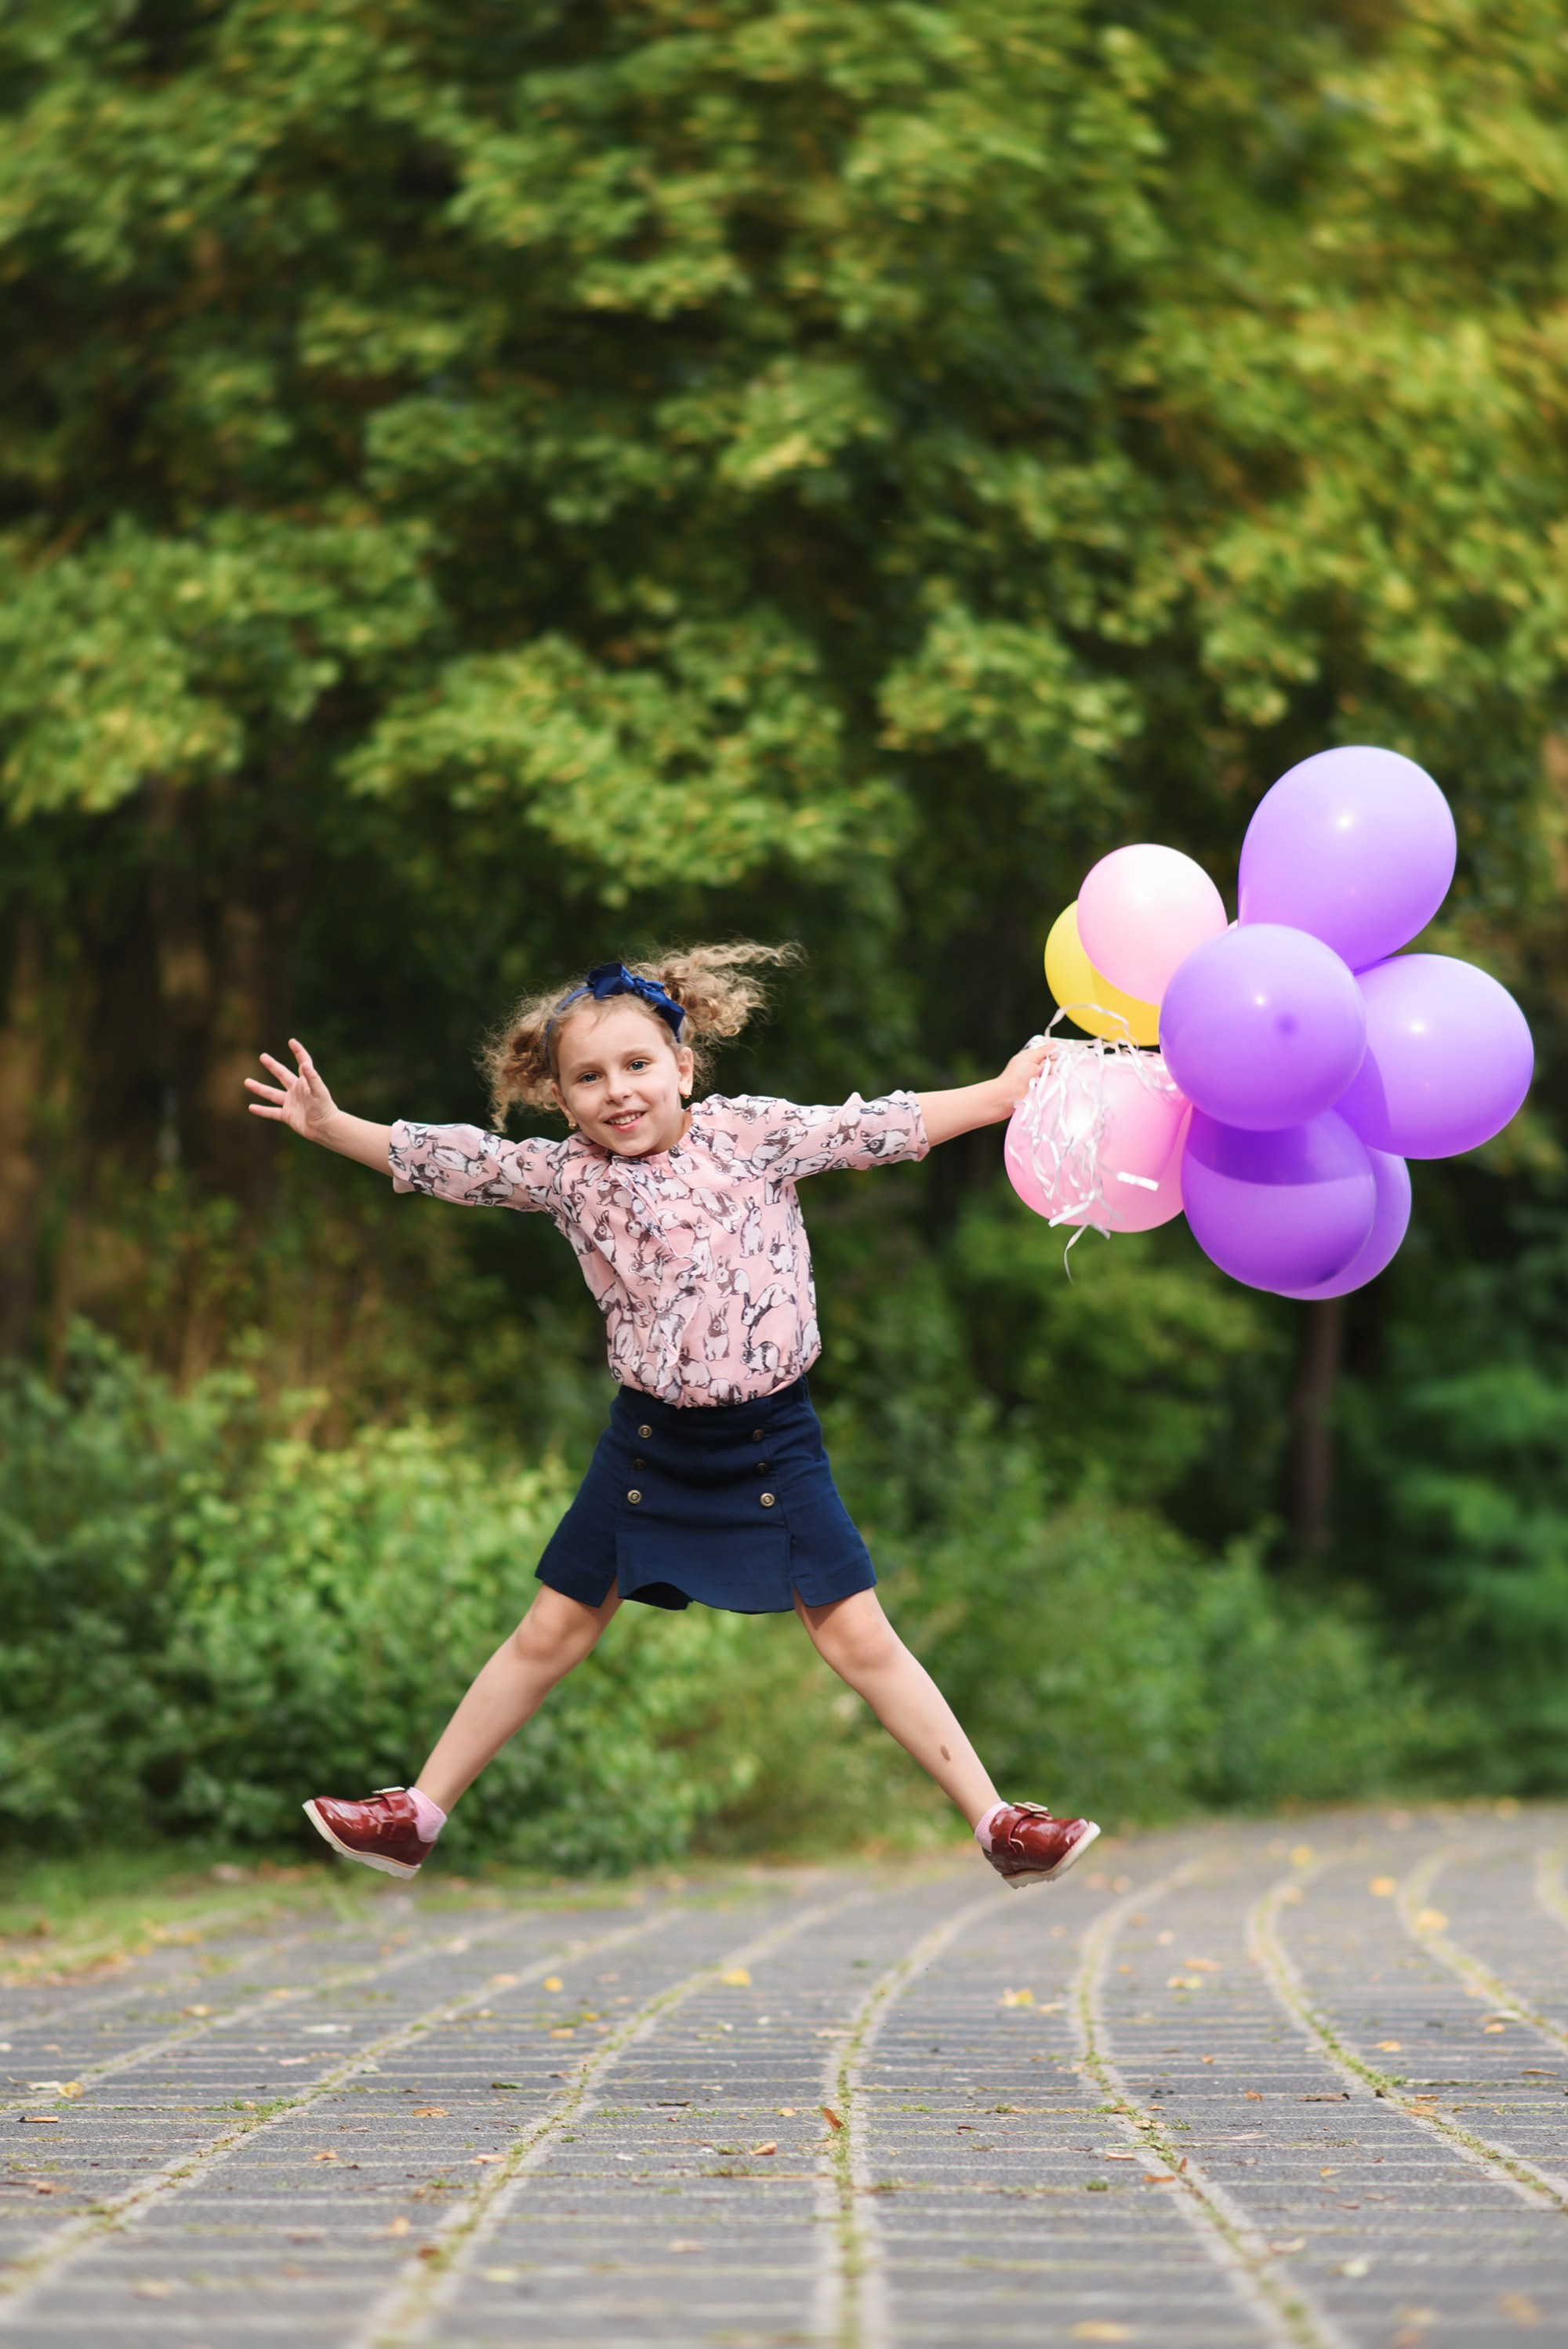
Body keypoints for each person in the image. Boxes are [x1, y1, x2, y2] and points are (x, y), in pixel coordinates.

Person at [246, 943, 1098, 1890]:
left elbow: (881, 1127)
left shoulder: (752, 1135)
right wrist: (331, 1126)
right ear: (561, 1099)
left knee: (856, 1631)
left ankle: (996, 1822)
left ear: (683, 1067)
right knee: (552, 1627)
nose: (617, 1091)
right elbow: (454, 1160)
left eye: (637, 1064)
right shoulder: (570, 1176)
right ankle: (416, 1814)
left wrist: (997, 1092)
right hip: (650, 1441)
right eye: (589, 1077)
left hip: (773, 1439)